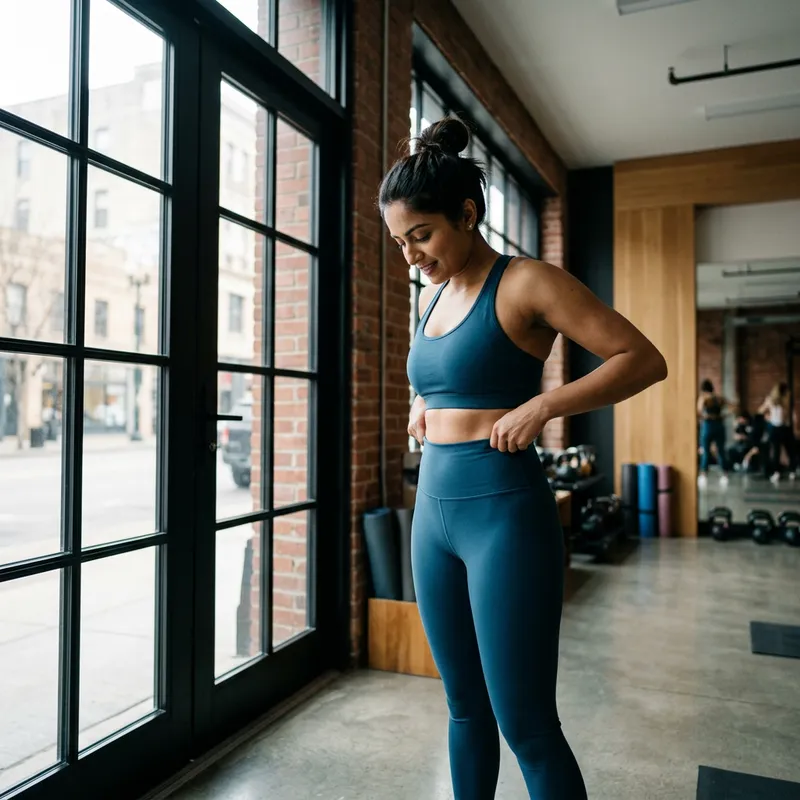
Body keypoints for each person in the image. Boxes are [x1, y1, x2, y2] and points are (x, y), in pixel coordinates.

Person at [379, 117, 668, 800]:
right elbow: (450, 372)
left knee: (528, 726)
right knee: (463, 708)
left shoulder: (528, 282)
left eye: (421, 235)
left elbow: (642, 359)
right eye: (400, 242)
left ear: (466, 214)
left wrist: (544, 407)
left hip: (504, 514)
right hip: (433, 514)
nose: (411, 256)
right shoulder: (432, 295)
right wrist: (423, 401)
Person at [696, 379, 733, 487]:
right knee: (721, 451)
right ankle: (725, 474)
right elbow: (733, 407)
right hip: (719, 425)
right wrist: (724, 416)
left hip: (708, 426)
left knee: (706, 451)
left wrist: (706, 417)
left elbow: (699, 411)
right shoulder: (719, 398)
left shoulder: (704, 398)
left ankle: (703, 475)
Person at [759, 381, 797, 483]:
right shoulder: (779, 400)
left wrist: (769, 416)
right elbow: (761, 411)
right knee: (786, 450)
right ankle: (787, 471)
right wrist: (768, 416)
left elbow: (761, 410)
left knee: (781, 451)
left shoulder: (776, 400)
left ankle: (780, 472)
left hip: (778, 427)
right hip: (781, 428)